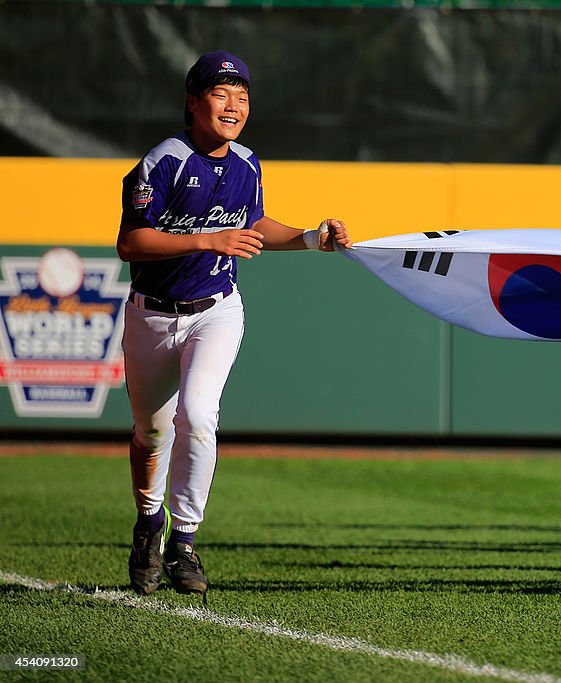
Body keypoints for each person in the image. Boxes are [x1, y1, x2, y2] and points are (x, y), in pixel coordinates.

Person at [117, 50, 352, 597]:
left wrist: (313, 238)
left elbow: (253, 224)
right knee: (150, 433)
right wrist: (208, 238)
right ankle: (149, 525)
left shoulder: (247, 164)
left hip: (216, 309)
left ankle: (185, 542)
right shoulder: (164, 161)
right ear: (193, 102)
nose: (233, 105)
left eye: (242, 97)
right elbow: (130, 242)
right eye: (220, 94)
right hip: (151, 314)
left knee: (198, 418)